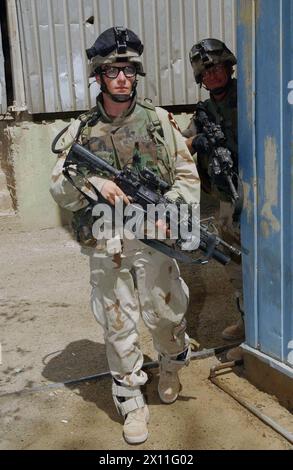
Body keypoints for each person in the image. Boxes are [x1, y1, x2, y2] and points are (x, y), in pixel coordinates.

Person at [50, 27, 200, 444]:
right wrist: (93, 183)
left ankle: (171, 364)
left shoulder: (159, 122)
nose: (122, 78)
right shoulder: (80, 131)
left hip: (153, 238)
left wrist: (170, 211)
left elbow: (188, 176)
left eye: (129, 70)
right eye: (113, 70)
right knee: (117, 323)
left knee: (167, 313)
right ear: (99, 74)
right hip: (108, 240)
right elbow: (59, 188)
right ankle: (131, 398)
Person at [182, 38, 244, 361]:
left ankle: (262, 334)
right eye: (207, 71)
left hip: (257, 197)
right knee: (236, 266)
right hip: (225, 202)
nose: (214, 75)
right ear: (200, 79)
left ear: (230, 66)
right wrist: (197, 141)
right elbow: (180, 147)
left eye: (218, 67)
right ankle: (246, 323)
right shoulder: (204, 112)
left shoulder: (248, 98)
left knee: (266, 266)